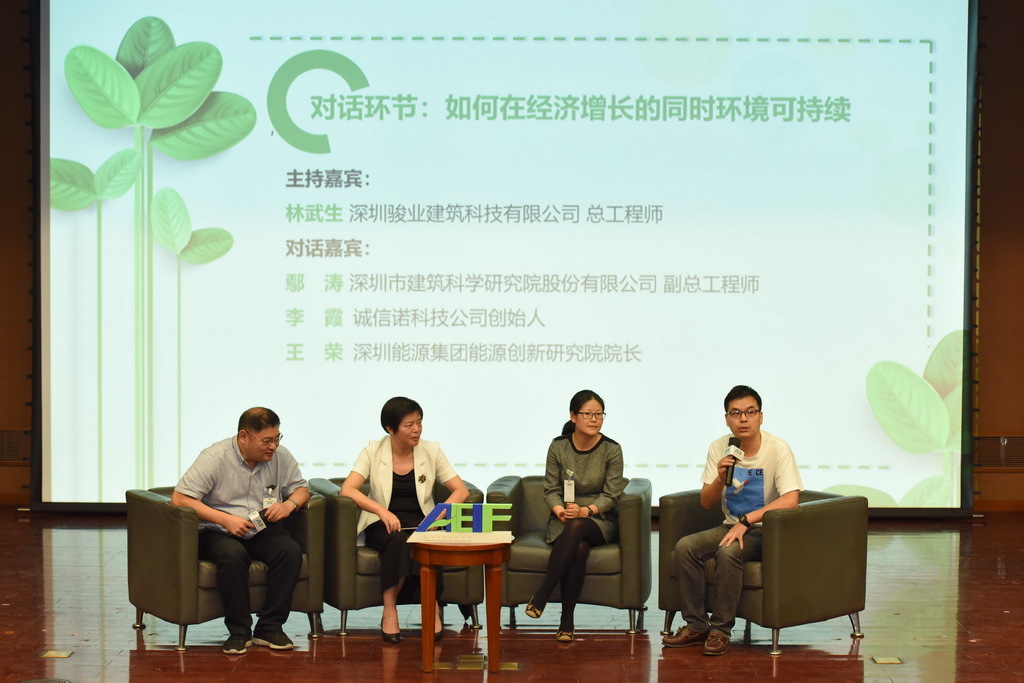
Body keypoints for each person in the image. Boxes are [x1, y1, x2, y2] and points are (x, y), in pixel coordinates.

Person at [662, 385, 803, 656]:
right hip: (729, 526)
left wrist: (747, 521)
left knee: (728, 551)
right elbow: (706, 502)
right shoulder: (720, 447)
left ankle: (720, 631)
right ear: (727, 419)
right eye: (735, 413)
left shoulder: (778, 449)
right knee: (685, 547)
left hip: (766, 530)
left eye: (750, 412)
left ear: (761, 416)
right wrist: (719, 477)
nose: (743, 419)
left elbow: (791, 500)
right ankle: (696, 625)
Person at [171, 407, 309, 655]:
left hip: (260, 528)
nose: (273, 446)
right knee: (233, 555)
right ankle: (239, 631)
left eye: (277, 438)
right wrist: (225, 520)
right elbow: (180, 499)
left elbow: (301, 489)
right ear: (243, 436)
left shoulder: (281, 456)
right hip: (217, 530)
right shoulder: (215, 458)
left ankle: (269, 627)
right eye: (266, 441)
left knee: (289, 551)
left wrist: (289, 505)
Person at [340, 396, 470, 644]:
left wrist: (436, 516)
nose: (416, 430)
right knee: (397, 541)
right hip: (383, 522)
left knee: (427, 542)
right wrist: (381, 511)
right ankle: (389, 609)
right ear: (390, 429)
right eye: (409, 425)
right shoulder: (373, 450)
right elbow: (348, 489)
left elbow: (461, 491)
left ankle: (431, 606)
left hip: (422, 522)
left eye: (419, 422)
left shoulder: (431, 450)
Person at [525, 389, 625, 642]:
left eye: (599, 414)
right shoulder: (558, 446)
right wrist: (559, 510)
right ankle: (566, 621)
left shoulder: (612, 449)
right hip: (563, 520)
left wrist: (585, 511)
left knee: (579, 525)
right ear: (573, 416)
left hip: (600, 520)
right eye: (588, 414)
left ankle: (543, 592)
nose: (594, 419)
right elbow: (550, 490)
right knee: (579, 548)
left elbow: (611, 495)